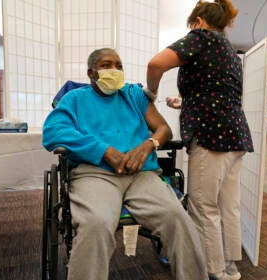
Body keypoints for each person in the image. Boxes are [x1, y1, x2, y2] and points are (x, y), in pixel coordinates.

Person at [42, 48, 208, 280]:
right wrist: (103, 150)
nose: (115, 70)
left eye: (119, 66)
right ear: (91, 73)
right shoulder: (74, 99)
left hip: (141, 175)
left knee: (178, 218)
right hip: (95, 174)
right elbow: (52, 133)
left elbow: (164, 129)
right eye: (107, 65)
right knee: (96, 224)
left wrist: (148, 144)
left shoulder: (134, 94)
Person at [146, 1, 254, 280]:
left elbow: (155, 63)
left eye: (192, 24)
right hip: (236, 136)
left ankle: (211, 269)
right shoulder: (229, 51)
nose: (192, 28)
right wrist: (183, 102)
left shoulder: (201, 38)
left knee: (204, 207)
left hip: (211, 137)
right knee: (228, 205)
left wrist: (152, 92)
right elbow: (217, 94)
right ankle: (230, 267)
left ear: (200, 20)